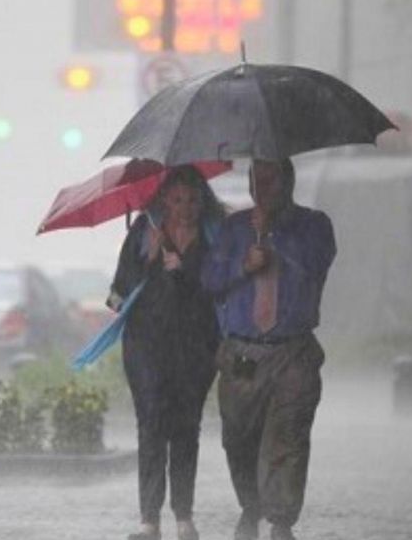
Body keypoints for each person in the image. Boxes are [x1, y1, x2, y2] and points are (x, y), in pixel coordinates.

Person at [201, 158, 336, 540]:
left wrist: (276, 242)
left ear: (288, 183)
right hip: (242, 353)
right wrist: (244, 266)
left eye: (270, 181)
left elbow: (315, 265)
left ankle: (281, 520)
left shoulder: (314, 225)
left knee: (288, 435)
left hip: (292, 351)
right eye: (255, 181)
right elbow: (210, 280)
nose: (262, 190)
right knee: (239, 436)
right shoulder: (233, 229)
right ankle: (251, 506)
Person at [108, 165, 224, 540]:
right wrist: (146, 259)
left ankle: (183, 516)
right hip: (147, 346)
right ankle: (149, 520)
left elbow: (224, 286)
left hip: (196, 346)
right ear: (164, 200)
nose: (185, 207)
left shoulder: (215, 237)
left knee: (186, 427)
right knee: (152, 424)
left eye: (193, 200)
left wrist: (187, 267)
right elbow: (116, 296)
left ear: (203, 201)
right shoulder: (144, 232)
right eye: (177, 200)